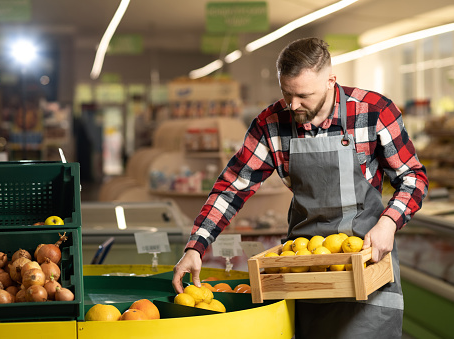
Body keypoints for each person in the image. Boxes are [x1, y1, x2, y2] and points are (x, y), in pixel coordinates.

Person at [172, 37, 428, 338]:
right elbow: (231, 188)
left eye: (304, 95)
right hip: (304, 273)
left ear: (331, 80)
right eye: (286, 93)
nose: (293, 105)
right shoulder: (270, 123)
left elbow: (413, 178)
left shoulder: (373, 111)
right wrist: (196, 246)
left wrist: (389, 222)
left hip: (368, 267)